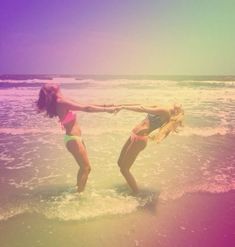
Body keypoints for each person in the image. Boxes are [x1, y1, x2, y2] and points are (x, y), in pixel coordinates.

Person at [36, 83, 119, 192]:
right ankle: (79, 195)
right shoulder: (61, 102)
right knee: (86, 168)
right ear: (52, 90)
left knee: (84, 168)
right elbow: (87, 108)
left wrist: (106, 105)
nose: (53, 82)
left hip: (74, 139)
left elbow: (86, 104)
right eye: (50, 84)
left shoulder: (63, 100)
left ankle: (78, 190)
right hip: (73, 139)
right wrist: (107, 110)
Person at [117, 104, 184, 194]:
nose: (174, 104)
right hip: (135, 135)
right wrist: (121, 105)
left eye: (176, 106)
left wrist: (123, 107)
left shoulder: (165, 111)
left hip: (139, 139)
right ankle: (131, 184)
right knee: (120, 162)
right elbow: (140, 105)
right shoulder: (161, 108)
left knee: (124, 169)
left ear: (176, 110)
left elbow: (142, 108)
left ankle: (136, 194)